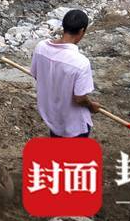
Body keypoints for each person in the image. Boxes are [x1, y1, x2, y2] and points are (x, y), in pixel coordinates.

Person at [30, 9, 101, 138]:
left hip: (52, 118)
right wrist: (91, 107)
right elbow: (80, 98)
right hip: (74, 125)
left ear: (64, 26)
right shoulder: (81, 63)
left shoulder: (41, 47)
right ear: (82, 31)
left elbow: (36, 75)